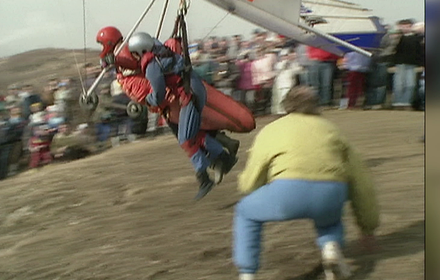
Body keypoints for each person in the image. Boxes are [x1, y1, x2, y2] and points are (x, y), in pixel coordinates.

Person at [233, 86, 380, 280]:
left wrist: (249, 185)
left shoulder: (272, 130)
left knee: (246, 211)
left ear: (286, 105)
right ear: (316, 106)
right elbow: (361, 180)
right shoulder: (332, 130)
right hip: (331, 193)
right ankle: (331, 249)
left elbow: (252, 179)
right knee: (330, 220)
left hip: (287, 192)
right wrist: (368, 227)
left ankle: (247, 272)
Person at [96, 26, 240, 199]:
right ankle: (223, 157)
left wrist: (148, 101)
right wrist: (111, 61)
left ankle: (207, 174)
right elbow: (130, 62)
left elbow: (156, 90)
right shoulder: (153, 52)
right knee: (192, 135)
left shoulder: (150, 63)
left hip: (184, 95)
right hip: (184, 94)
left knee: (186, 138)